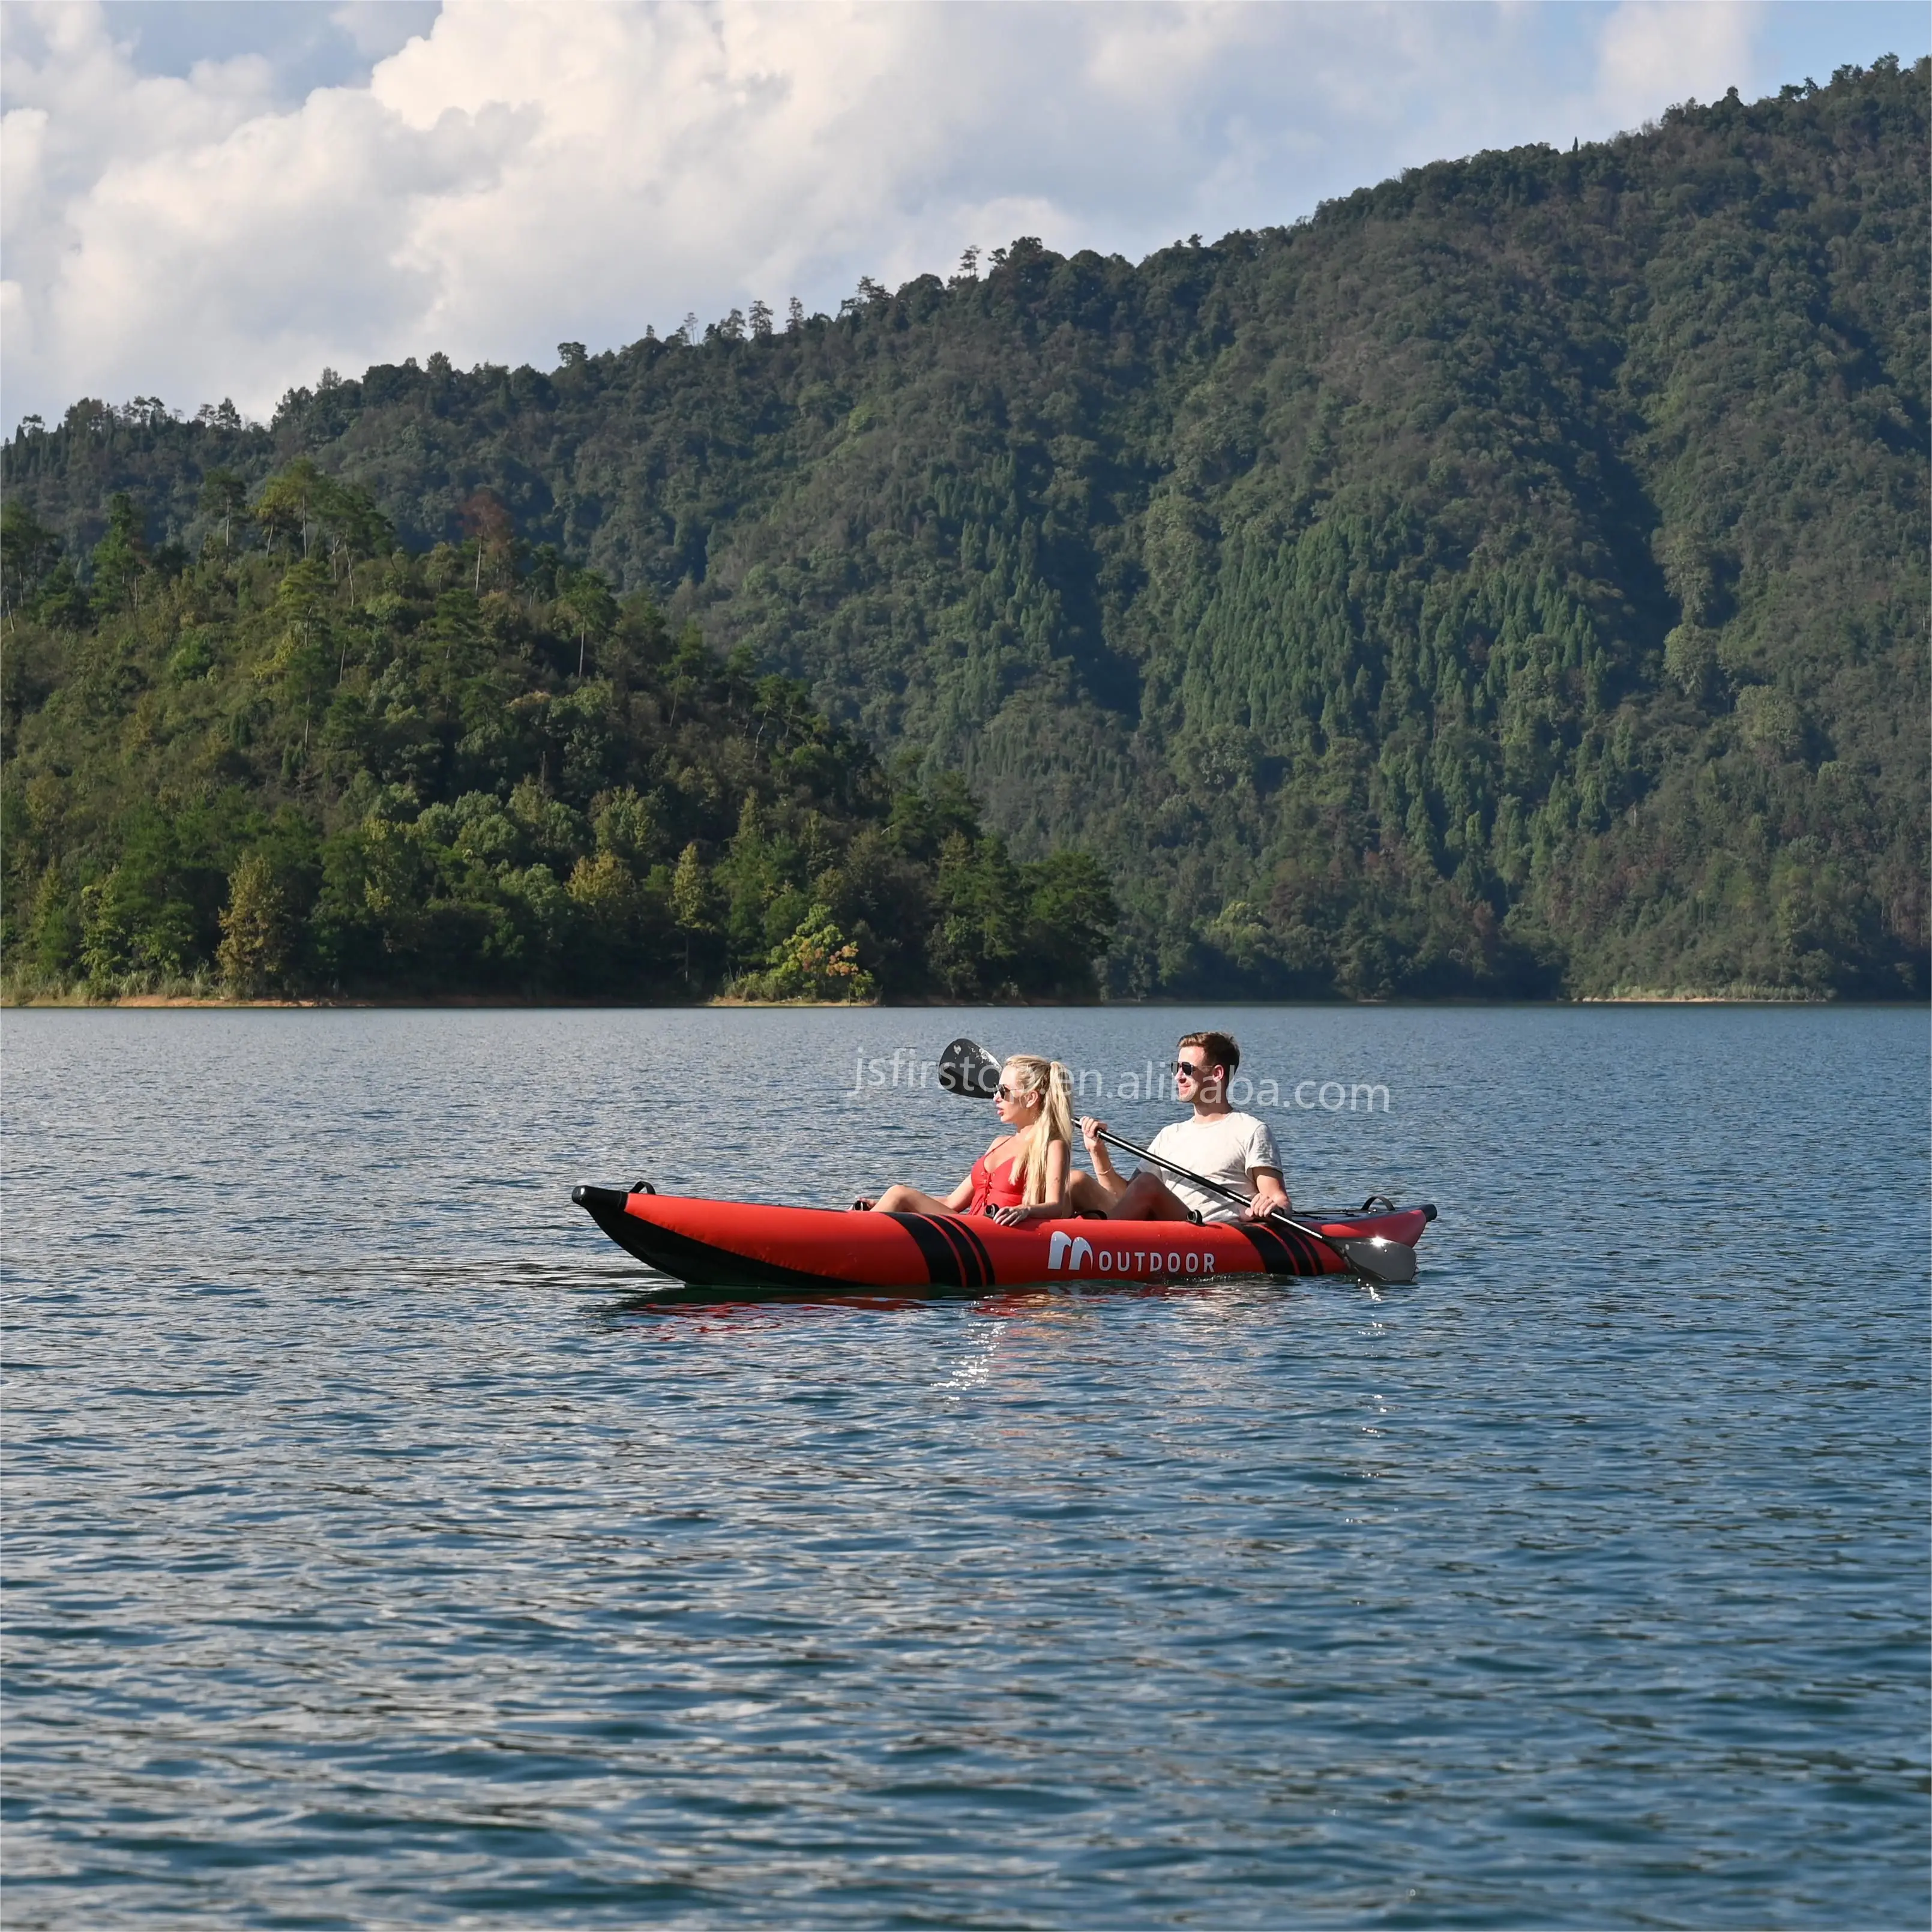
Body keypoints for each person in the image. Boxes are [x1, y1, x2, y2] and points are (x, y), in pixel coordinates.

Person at [1071, 1031, 1289, 1224]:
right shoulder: (1169, 1135)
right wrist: (1097, 1152)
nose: (1178, 1076)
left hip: (1210, 1236)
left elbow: (1280, 1201)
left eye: (1186, 1069)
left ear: (1217, 1074)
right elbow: (1126, 1197)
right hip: (1165, 1229)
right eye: (1176, 1068)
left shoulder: (1251, 1130)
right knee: (1076, 1180)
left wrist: (1269, 1206)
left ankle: (1098, 1245)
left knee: (1147, 1183)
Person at [852, 1056, 1073, 1225]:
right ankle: (853, 1231)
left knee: (899, 1192)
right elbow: (952, 1203)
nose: (995, 1097)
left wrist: (1026, 1210)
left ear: (1031, 1098)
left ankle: (850, 1240)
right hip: (970, 1227)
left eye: (1003, 1091)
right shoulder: (999, 1143)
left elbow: (1055, 1206)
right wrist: (888, 1206)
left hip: (999, 1234)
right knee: (896, 1197)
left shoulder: (1053, 1146)